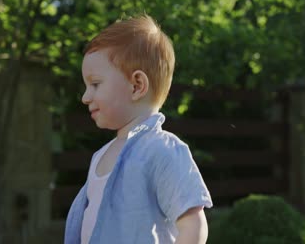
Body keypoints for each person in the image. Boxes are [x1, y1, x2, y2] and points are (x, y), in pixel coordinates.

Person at [64, 14, 213, 244]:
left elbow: (194, 225)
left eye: (95, 84)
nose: (85, 97)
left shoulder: (162, 150)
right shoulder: (101, 155)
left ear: (137, 86)